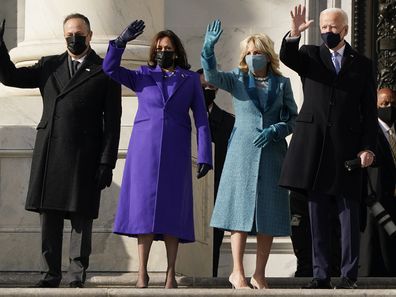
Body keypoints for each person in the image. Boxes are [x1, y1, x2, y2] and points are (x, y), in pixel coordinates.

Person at [0, 14, 122, 288]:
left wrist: (107, 162)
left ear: (90, 36)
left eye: (78, 33)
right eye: (68, 34)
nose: (73, 38)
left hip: (86, 155)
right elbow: (10, 77)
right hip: (52, 151)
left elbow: (112, 123)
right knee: (50, 216)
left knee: (81, 217)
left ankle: (76, 275)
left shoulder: (105, 71)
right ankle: (50, 274)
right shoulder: (50, 65)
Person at [102, 20, 212, 289]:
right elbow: (109, 68)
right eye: (159, 47)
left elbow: (201, 119)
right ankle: (142, 272)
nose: (164, 50)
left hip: (176, 151)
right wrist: (120, 42)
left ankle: (171, 273)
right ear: (154, 51)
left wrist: (206, 154)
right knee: (144, 212)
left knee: (173, 211)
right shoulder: (141, 75)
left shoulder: (189, 81)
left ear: (177, 51)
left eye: (168, 47)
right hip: (144, 152)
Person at [278, 5, 377, 289]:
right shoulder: (310, 55)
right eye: (323, 27)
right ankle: (320, 275)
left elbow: (368, 112)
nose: (327, 32)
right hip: (315, 148)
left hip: (348, 149)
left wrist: (367, 147)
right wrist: (294, 34)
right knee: (316, 214)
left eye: (332, 27)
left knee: (348, 215)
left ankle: (348, 275)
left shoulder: (362, 63)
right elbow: (287, 56)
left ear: (345, 29)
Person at [201, 20, 298, 289]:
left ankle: (259, 273)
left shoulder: (282, 83)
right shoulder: (237, 78)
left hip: (272, 152)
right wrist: (208, 49)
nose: (254, 57)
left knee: (268, 212)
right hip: (242, 151)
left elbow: (293, 118)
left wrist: (277, 129)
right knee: (239, 211)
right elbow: (211, 76)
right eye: (249, 53)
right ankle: (237, 272)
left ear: (268, 55)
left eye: (258, 53)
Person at [197, 68, 235, 277]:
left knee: (213, 244)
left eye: (212, 87)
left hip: (218, 192)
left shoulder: (229, 123)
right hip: (189, 190)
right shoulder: (184, 119)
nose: (208, 91)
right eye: (203, 87)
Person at [359, 88, 396, 277]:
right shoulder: (368, 132)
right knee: (375, 243)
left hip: (393, 200)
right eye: (384, 104)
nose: (389, 107)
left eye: (392, 103)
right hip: (375, 201)